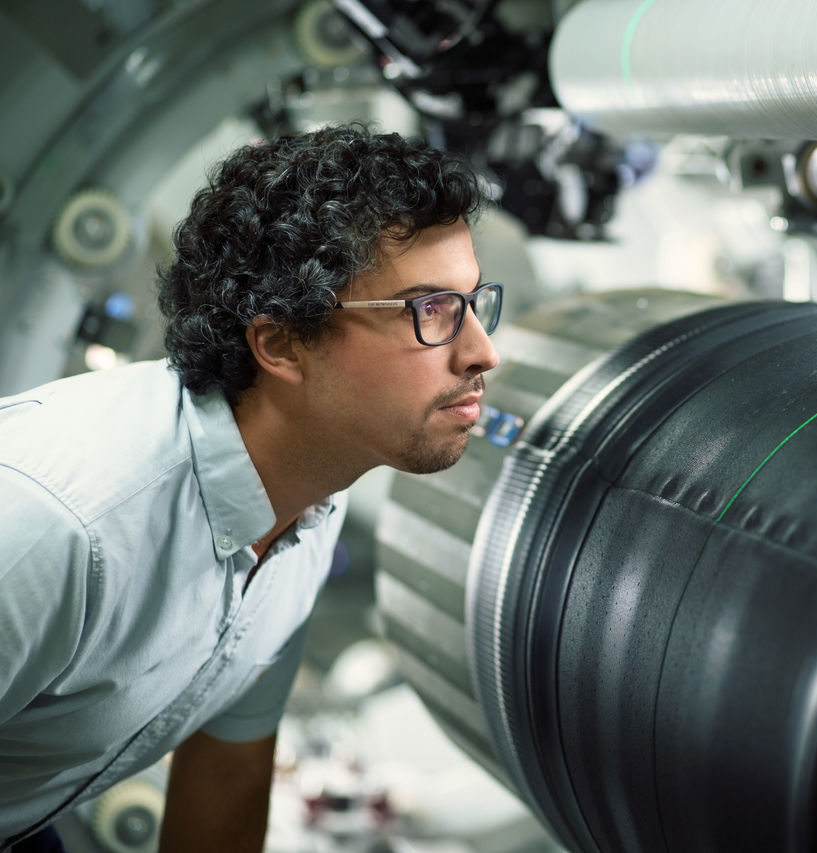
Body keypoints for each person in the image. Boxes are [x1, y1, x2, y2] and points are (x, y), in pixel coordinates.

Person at [0, 124, 502, 851]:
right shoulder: (57, 526)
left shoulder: (312, 496)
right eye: (429, 310)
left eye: (474, 302)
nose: (482, 351)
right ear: (281, 343)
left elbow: (225, 771)